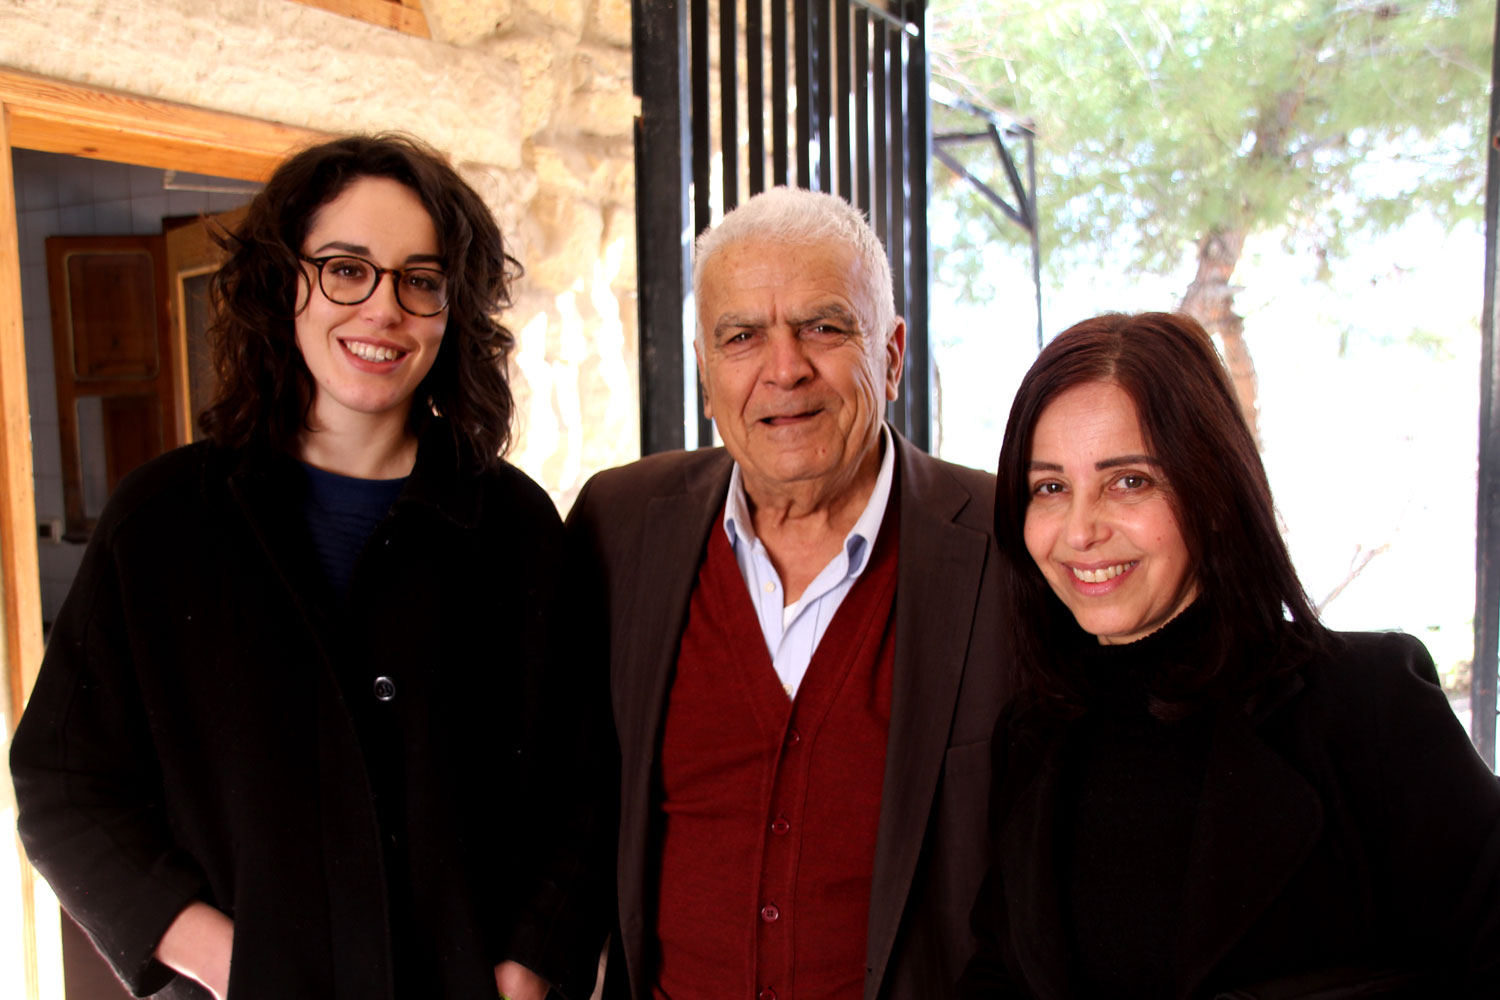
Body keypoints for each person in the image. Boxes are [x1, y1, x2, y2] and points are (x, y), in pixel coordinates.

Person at [10, 134, 606, 1000]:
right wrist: (225, 958)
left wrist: (521, 975)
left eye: (420, 279)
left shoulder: (514, 526)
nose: (383, 310)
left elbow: (583, 790)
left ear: (453, 306)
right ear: (285, 282)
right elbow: (64, 783)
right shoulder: (161, 521)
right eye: (345, 268)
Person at [958, 311, 1500, 998]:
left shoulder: (1368, 703)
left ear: (1211, 493)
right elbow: (999, 974)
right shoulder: (1033, 734)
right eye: (1051, 488)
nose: (1081, 530)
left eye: (1130, 481)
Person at [566, 186, 1013, 1000]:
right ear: (705, 371)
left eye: (824, 326)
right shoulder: (619, 525)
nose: (784, 369)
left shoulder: (1006, 544)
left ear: (892, 354)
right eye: (741, 336)